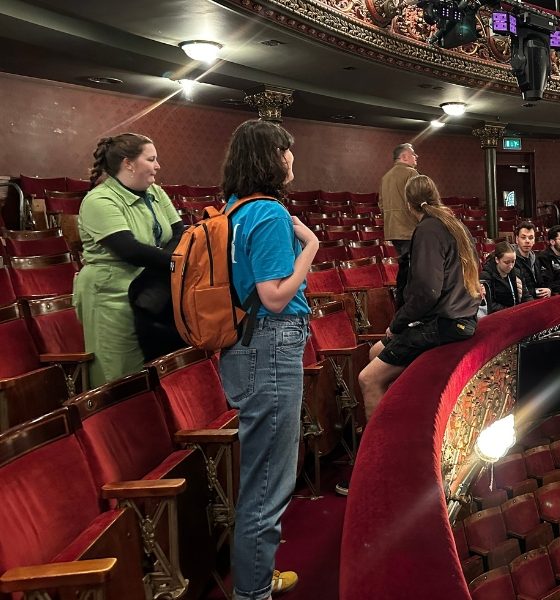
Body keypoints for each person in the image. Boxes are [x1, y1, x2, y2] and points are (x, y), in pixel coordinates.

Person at [218, 119, 319, 600]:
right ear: (272, 157)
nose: (292, 158)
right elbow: (275, 296)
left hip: (244, 343)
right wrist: (312, 247)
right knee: (268, 480)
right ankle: (253, 592)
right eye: (287, 150)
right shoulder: (271, 214)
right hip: (272, 341)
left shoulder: (233, 208)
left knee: (260, 471)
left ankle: (257, 576)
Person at [359, 174, 480, 423]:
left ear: (408, 204)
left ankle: (383, 450)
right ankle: (403, 420)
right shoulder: (455, 224)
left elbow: (427, 293)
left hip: (442, 324)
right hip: (462, 320)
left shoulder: (428, 229)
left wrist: (397, 324)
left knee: (368, 379)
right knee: (375, 351)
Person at [74, 133, 185, 387]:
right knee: (122, 375)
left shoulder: (155, 191)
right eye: (152, 159)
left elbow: (179, 231)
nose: (158, 166)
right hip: (112, 295)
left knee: (157, 369)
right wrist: (176, 264)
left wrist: (170, 262)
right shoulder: (99, 200)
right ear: (129, 164)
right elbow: (129, 249)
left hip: (153, 291)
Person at [379, 143, 419, 307]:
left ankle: (401, 305)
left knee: (405, 266)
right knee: (412, 270)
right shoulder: (411, 173)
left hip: (393, 229)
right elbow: (417, 201)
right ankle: (407, 307)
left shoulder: (386, 177)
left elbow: (381, 204)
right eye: (413, 154)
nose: (416, 157)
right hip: (409, 228)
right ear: (404, 157)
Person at [479, 241, 530, 313]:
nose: (511, 266)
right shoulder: (486, 276)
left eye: (513, 261)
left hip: (515, 313)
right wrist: (511, 311)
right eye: (507, 262)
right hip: (499, 316)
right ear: (497, 260)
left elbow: (526, 296)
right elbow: (490, 304)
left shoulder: (516, 272)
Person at [513, 221, 551, 299]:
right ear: (517, 239)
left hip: (538, 299)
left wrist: (549, 290)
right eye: (523, 237)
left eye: (530, 238)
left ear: (534, 240)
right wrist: (536, 292)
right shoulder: (512, 260)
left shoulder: (536, 258)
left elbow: (544, 281)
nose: (527, 241)